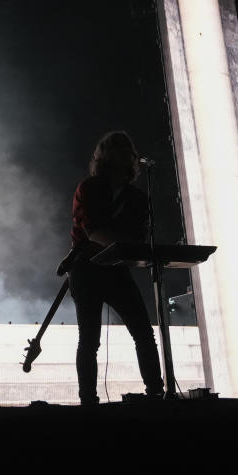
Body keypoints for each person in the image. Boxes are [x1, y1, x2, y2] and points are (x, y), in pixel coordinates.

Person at [68, 131, 164, 405]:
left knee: (144, 333)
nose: (126, 155)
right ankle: (88, 399)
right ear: (106, 156)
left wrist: (132, 248)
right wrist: (123, 245)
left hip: (117, 270)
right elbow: (92, 231)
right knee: (89, 340)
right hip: (87, 269)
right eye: (119, 149)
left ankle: (155, 391)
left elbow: (141, 235)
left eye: (128, 150)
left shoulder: (136, 197)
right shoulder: (89, 188)